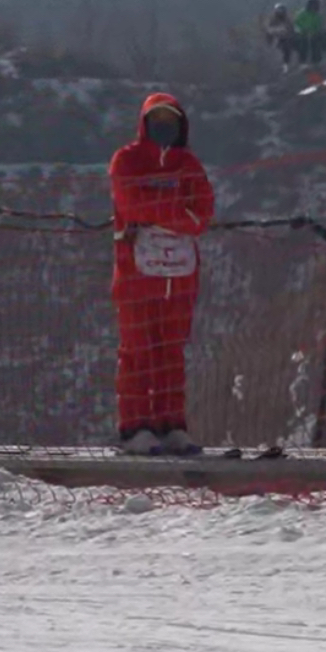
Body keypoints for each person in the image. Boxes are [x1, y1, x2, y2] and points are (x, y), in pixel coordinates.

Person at [108, 93, 214, 457]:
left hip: (180, 277)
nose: (163, 126)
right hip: (136, 275)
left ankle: (171, 426)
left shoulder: (189, 163)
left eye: (170, 120)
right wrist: (177, 211)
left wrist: (156, 211)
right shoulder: (126, 160)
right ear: (144, 123)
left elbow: (201, 215)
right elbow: (131, 203)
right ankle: (135, 428)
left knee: (171, 354)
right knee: (137, 351)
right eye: (157, 119)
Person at [295, 0, 326, 74]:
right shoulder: (302, 14)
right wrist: (304, 31)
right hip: (305, 37)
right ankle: (312, 65)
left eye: (316, 6)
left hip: (316, 36)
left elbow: (319, 28)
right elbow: (296, 25)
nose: (315, 8)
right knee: (311, 46)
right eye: (314, 6)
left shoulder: (317, 16)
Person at [264, 5, 302, 71]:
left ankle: (301, 62)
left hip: (289, 38)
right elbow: (269, 31)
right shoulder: (272, 20)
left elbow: (292, 28)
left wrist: (295, 33)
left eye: (282, 12)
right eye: (280, 12)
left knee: (299, 46)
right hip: (279, 40)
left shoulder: (287, 19)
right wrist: (278, 31)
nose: (281, 14)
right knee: (286, 49)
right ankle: (285, 65)